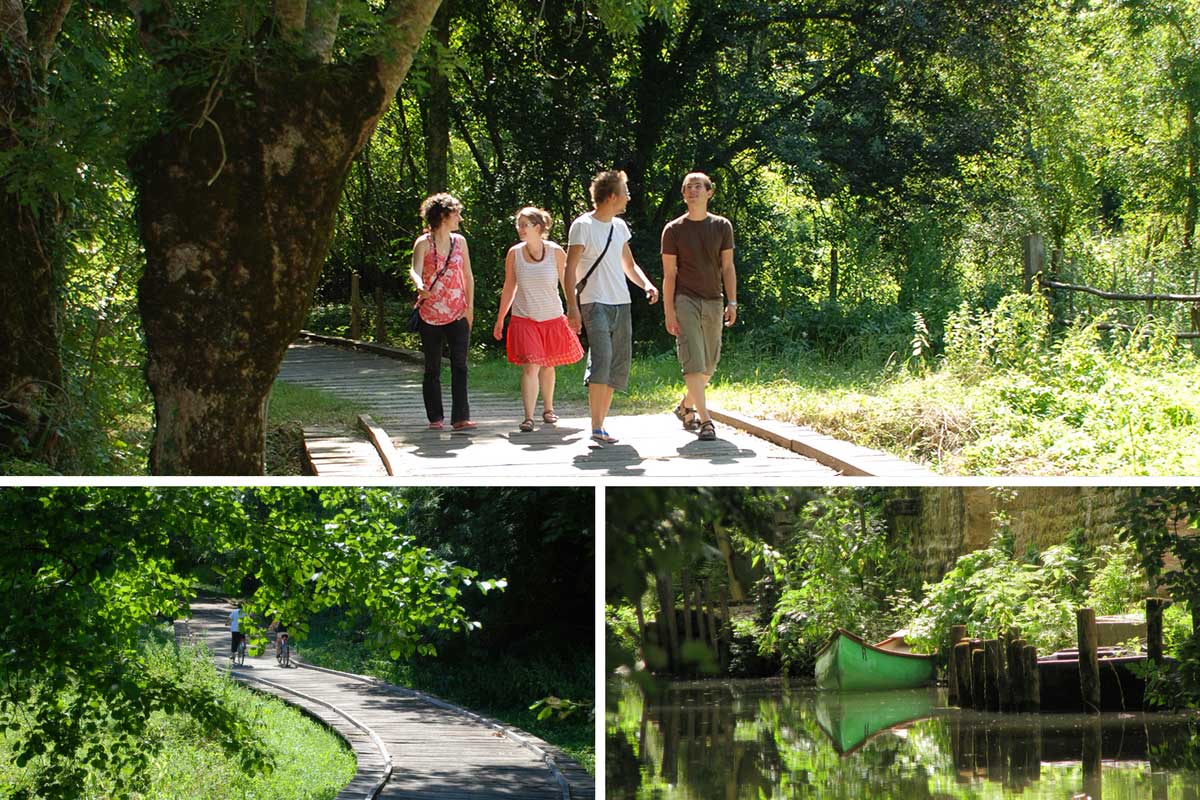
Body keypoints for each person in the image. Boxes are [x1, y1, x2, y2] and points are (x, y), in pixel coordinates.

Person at [565, 170, 659, 444]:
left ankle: (602, 425)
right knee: (602, 360)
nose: (629, 198)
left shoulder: (619, 227)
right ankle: (595, 427)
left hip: (622, 303)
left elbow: (628, 265)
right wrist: (572, 306)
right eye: (626, 193)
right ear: (613, 196)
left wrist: (647, 285)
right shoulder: (582, 225)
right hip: (593, 303)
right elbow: (569, 269)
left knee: (617, 365)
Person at [661, 171, 737, 441]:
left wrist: (732, 301)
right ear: (683, 195)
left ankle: (685, 406)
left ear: (709, 192)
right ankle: (706, 421)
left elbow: (727, 267)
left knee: (709, 365)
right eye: (687, 187)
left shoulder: (722, 226)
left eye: (697, 186)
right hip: (685, 300)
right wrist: (669, 311)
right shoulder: (673, 230)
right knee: (693, 362)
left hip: (714, 300)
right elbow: (669, 275)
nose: (692, 191)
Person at [493, 207, 584, 432]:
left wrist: (574, 311)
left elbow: (567, 284)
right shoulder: (514, 253)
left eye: (525, 225)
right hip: (524, 318)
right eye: (518, 224)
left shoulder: (555, 252)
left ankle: (549, 409)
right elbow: (509, 287)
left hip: (552, 317)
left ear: (538, 228)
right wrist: (500, 318)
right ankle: (528, 417)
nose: (520, 229)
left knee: (548, 364)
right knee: (531, 366)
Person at [409, 193, 476, 431]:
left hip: (458, 311)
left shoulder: (460, 242)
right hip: (430, 314)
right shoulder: (424, 243)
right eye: (456, 213)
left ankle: (461, 417)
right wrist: (419, 285)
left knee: (460, 364)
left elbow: (468, 275)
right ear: (443, 215)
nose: (459, 217)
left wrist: (470, 307)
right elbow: (415, 270)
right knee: (432, 367)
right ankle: (435, 418)